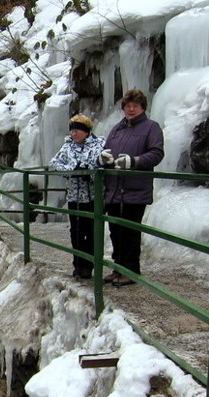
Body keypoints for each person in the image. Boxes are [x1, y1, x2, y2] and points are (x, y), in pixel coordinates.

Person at [97, 89, 164, 287]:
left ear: (143, 107)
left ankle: (131, 270)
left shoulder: (151, 127)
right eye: (128, 106)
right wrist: (102, 159)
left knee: (130, 231)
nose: (131, 109)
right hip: (114, 189)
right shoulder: (117, 129)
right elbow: (106, 151)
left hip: (135, 189)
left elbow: (156, 153)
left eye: (135, 105)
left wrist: (134, 161)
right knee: (115, 230)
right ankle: (118, 267)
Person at [49, 114, 105, 279]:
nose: (74, 134)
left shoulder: (98, 145)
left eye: (77, 131)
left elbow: (102, 164)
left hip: (92, 196)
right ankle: (78, 264)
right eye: (72, 131)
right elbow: (54, 164)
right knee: (76, 231)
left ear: (86, 132)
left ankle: (90, 265)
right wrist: (73, 169)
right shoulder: (67, 147)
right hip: (74, 196)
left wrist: (90, 173)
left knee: (91, 231)